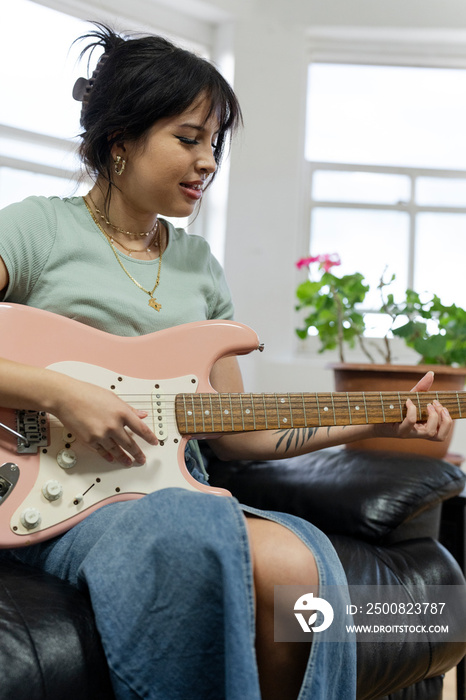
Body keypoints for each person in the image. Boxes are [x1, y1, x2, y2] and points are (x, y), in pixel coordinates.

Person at [0, 24, 452, 700]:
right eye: (187, 139)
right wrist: (58, 392)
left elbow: (234, 430)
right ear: (119, 141)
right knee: (197, 525)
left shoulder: (200, 269)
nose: (207, 161)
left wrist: (378, 421)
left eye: (214, 143)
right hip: (62, 499)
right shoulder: (36, 229)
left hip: (179, 489)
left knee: (301, 568)